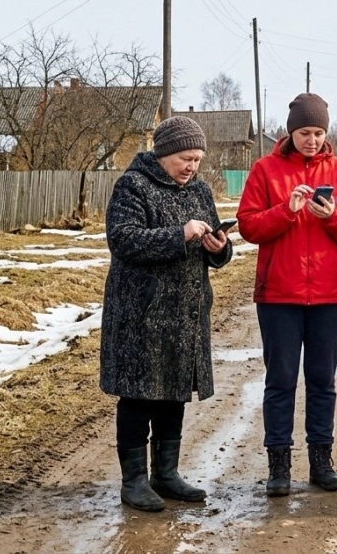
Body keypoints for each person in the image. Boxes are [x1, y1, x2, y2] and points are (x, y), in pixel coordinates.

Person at [99, 116, 232, 512]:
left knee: (174, 394)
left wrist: (218, 247)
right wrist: (181, 233)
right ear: (164, 154)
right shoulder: (133, 185)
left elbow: (217, 256)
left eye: (197, 159)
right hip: (140, 312)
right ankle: (134, 481)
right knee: (139, 396)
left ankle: (166, 473)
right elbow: (123, 240)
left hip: (185, 313)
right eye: (185, 158)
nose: (191, 166)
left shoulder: (201, 190)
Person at [237, 93, 337, 497]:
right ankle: (279, 465)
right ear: (290, 131)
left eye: (318, 132)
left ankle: (321, 460)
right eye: (304, 132)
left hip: (329, 294)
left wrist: (333, 217)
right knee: (280, 379)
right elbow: (248, 226)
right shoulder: (265, 170)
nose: (311, 140)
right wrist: (286, 211)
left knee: (322, 380)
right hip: (279, 295)